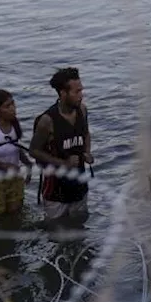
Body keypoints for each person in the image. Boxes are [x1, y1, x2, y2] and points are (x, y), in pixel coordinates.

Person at [30, 68, 93, 226]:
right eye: (76, 92)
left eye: (81, 90)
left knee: (80, 229)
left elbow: (86, 133)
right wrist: (63, 163)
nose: (81, 95)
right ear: (63, 93)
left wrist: (87, 152)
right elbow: (34, 151)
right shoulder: (47, 120)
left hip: (79, 185)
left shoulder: (82, 110)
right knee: (57, 234)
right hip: (55, 190)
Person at [0, 89, 33, 220]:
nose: (13, 109)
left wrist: (28, 164)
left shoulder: (14, 125)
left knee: (16, 213)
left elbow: (15, 147)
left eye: (13, 104)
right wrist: (4, 166)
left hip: (14, 178)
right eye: (7, 106)